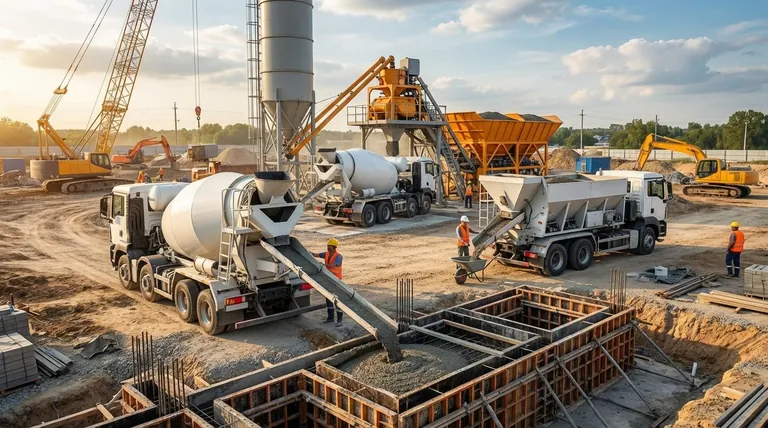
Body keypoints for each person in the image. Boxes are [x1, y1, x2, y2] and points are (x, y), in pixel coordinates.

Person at [311, 238, 344, 327]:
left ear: (334, 247)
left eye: (330, 246)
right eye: (327, 246)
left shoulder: (338, 256)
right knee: (328, 298)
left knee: (336, 300)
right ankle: (330, 318)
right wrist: (310, 253)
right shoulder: (326, 254)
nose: (328, 248)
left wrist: (324, 266)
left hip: (336, 280)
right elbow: (316, 255)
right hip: (328, 279)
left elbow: (335, 264)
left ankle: (340, 320)